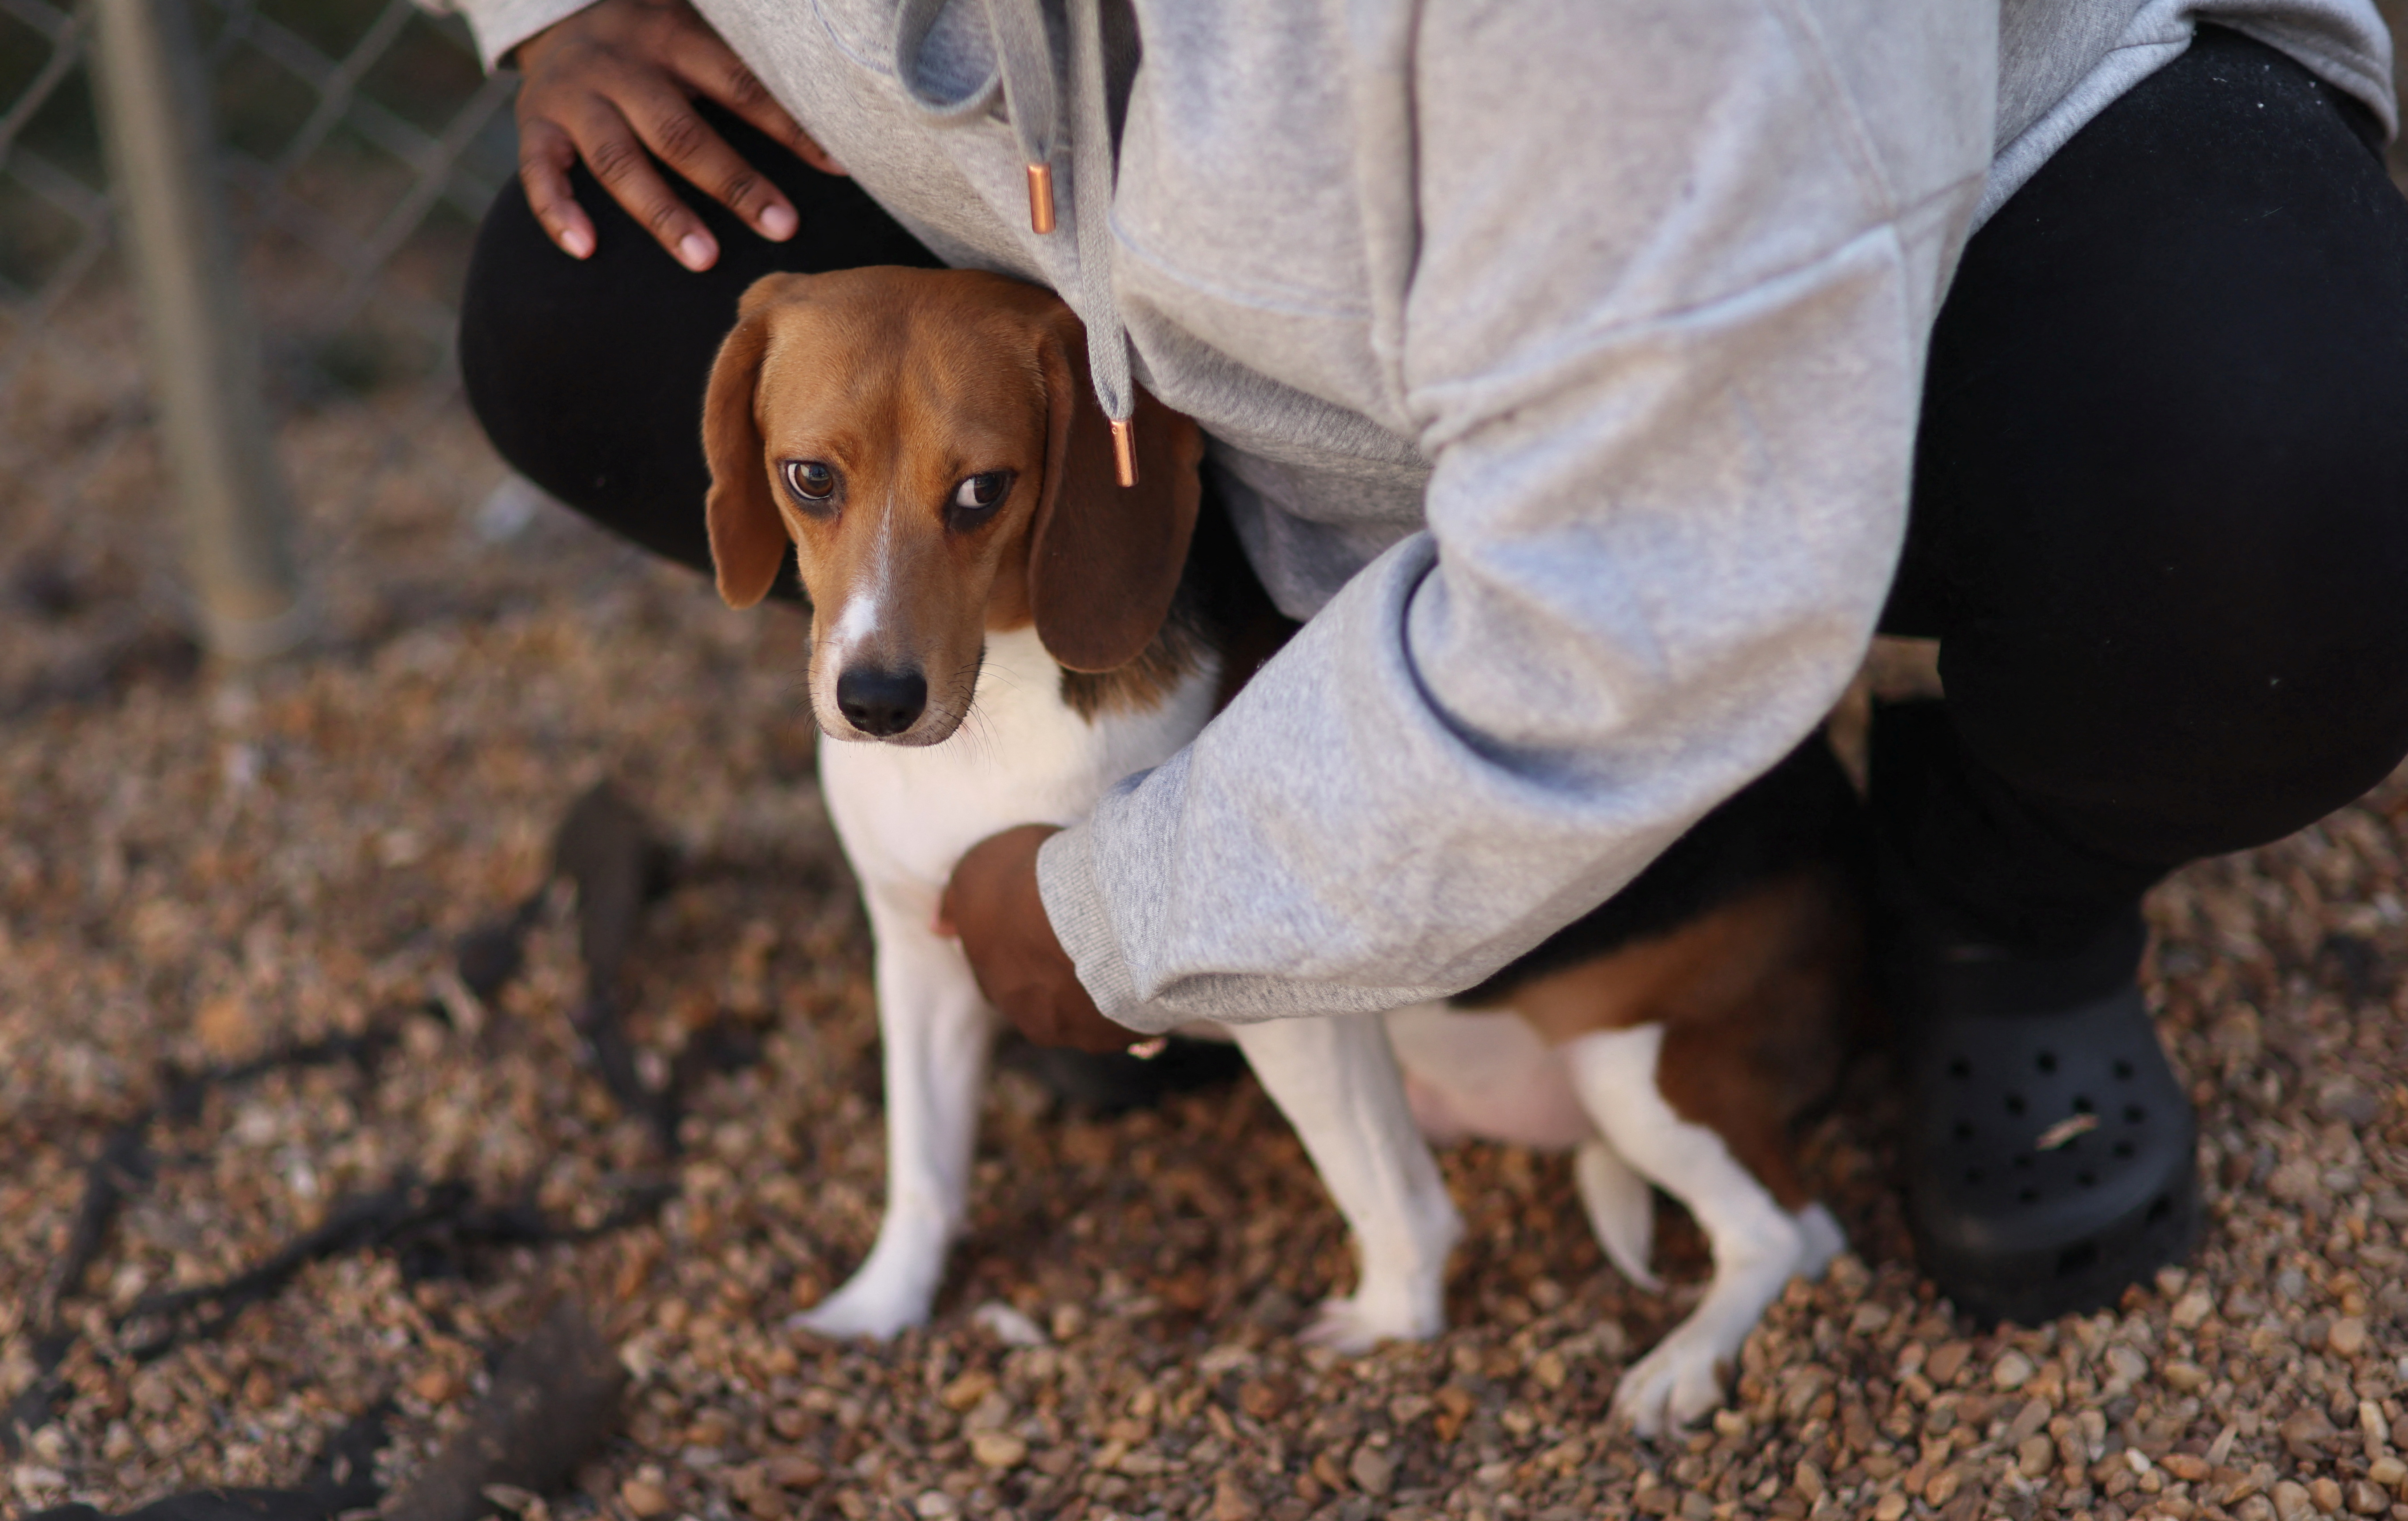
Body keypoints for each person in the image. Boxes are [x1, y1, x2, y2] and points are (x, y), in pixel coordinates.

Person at [452, 0, 2408, 1325]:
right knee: (581, 299)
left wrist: (1128, 909)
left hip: (1932, 158)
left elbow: (1646, 583)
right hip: (1110, 240)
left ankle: (2000, 893)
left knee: (2282, 492)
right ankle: (1149, 706)